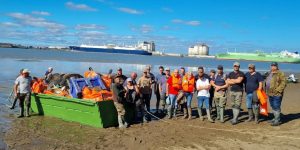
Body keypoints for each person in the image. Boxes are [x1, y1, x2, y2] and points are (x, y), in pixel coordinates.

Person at [266, 62, 286, 126]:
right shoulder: (269, 73)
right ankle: (275, 118)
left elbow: (284, 83)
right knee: (273, 106)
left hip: (277, 94)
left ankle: (277, 120)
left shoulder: (280, 73)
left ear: (277, 66)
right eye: (272, 66)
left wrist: (277, 90)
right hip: (270, 93)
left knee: (276, 106)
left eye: (274, 66)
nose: (273, 67)